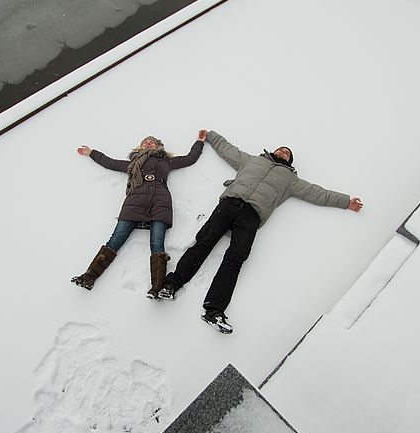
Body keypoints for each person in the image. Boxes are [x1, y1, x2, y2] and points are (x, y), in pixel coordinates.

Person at [158, 129, 363, 333]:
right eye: (281, 149)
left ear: (290, 161)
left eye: (287, 152)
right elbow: (229, 150)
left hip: (252, 215)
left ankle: (214, 310)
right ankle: (171, 285)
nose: (283, 152)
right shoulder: (252, 161)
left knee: (236, 258)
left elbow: (317, 193)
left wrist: (346, 201)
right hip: (229, 204)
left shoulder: (290, 180)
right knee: (203, 242)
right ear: (272, 151)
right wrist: (211, 136)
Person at [72, 134, 204, 297]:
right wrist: (91, 152)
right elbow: (110, 163)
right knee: (115, 240)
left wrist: (199, 142)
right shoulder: (132, 163)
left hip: (160, 204)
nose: (148, 142)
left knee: (157, 244)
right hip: (134, 203)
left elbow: (190, 159)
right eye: (145, 141)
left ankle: (156, 289)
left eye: (152, 142)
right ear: (140, 147)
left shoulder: (166, 161)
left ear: (158, 147)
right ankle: (89, 277)